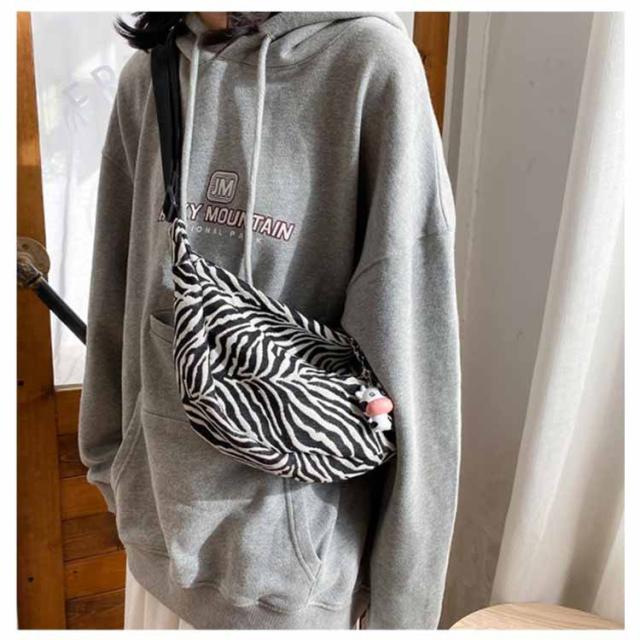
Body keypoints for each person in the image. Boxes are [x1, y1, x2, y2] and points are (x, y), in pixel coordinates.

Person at [78, 10, 460, 630]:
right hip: (154, 551)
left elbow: (413, 342)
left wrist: (404, 611)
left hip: (294, 581)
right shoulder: (149, 78)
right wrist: (112, 470)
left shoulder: (368, 64)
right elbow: (117, 293)